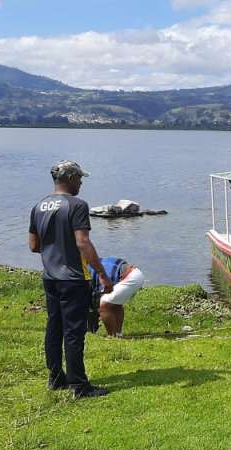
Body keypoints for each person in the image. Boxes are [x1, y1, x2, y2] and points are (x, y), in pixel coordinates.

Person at [29, 160, 114, 399]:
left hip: (50, 276)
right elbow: (82, 242)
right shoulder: (77, 205)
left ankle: (56, 378)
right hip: (73, 278)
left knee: (54, 326)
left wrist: (54, 249)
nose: (81, 183)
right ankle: (79, 385)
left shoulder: (39, 206)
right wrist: (103, 275)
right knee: (74, 331)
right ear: (70, 178)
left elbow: (33, 245)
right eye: (80, 178)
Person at [89, 257, 145, 337]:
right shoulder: (96, 264)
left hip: (131, 277)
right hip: (137, 274)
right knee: (115, 304)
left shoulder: (91, 272)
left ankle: (112, 336)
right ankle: (118, 334)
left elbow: (96, 296)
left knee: (104, 304)